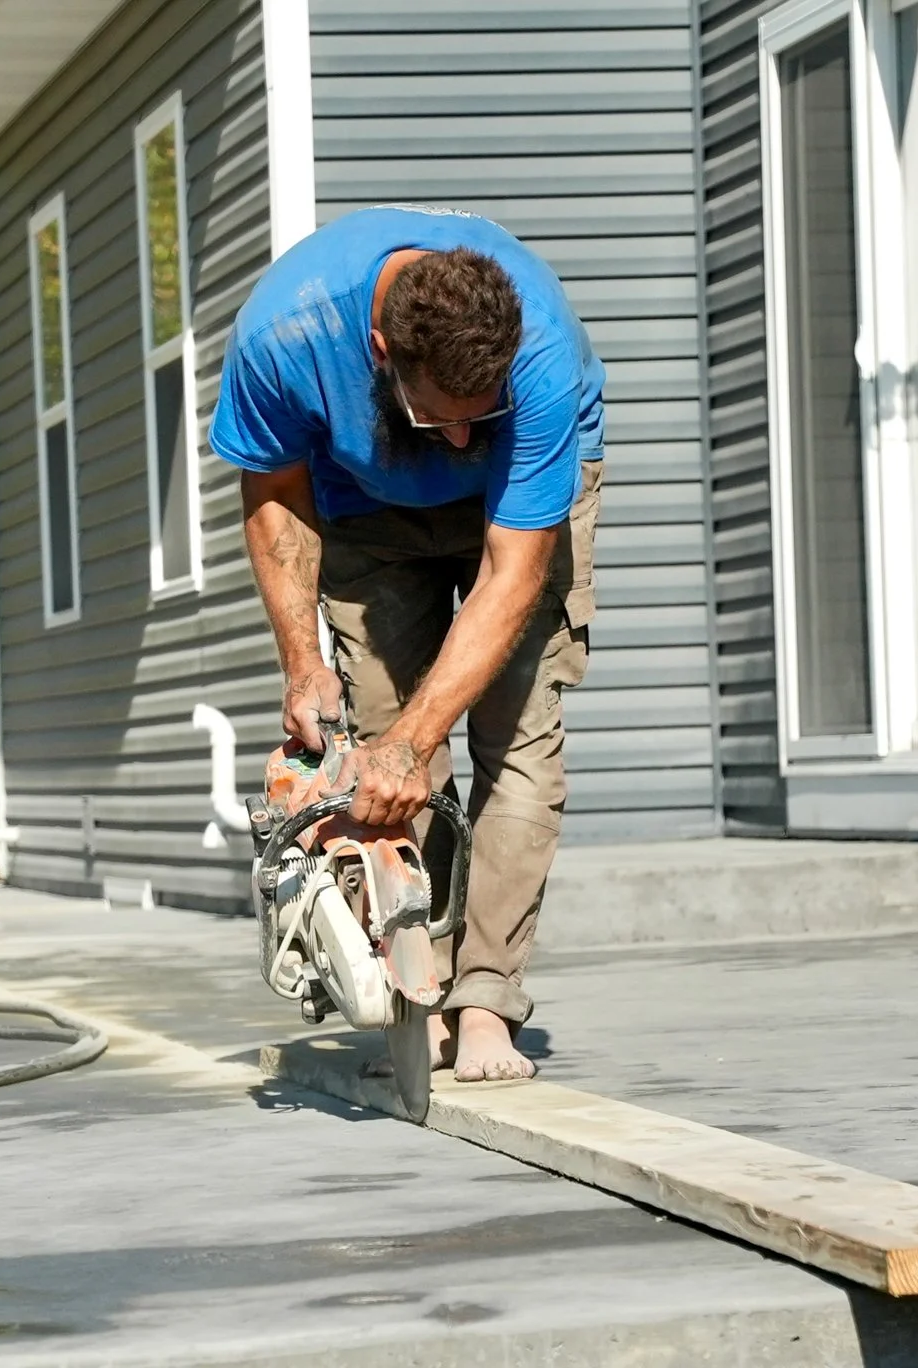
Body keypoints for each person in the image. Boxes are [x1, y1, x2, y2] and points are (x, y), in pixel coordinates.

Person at [209, 204, 605, 1083]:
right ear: (383, 355)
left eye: (480, 416)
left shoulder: (537, 356)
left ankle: (486, 1001)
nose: (461, 439)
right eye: (440, 419)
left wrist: (416, 744)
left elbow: (510, 577)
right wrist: (302, 662)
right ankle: (420, 992)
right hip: (367, 510)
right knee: (380, 747)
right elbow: (275, 493)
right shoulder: (287, 334)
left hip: (519, 512)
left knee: (519, 741)